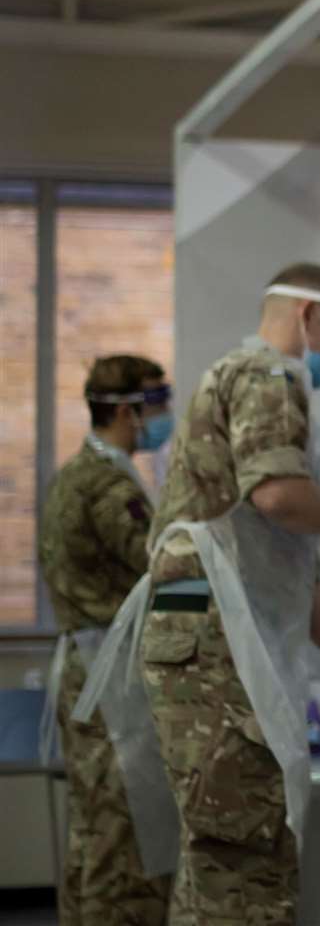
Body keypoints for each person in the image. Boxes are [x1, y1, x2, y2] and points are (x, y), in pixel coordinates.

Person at [136, 262, 320, 924]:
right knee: (244, 856)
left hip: (204, 630)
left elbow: (297, 584)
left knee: (221, 852)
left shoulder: (238, 382)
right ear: (311, 316)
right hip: (215, 643)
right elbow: (279, 497)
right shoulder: (270, 378)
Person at [38, 355, 175, 925]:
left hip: (86, 671)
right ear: (125, 410)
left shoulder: (75, 474)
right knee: (122, 841)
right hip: (109, 679)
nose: (165, 414)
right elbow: (161, 564)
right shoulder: (110, 486)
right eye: (157, 403)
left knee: (93, 832)